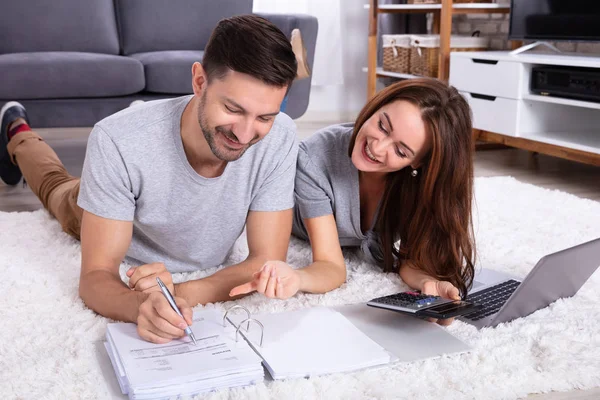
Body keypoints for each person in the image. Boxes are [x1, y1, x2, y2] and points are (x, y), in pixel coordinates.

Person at [0, 15, 300, 343]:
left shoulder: (280, 136)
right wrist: (140, 305)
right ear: (199, 81)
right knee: (55, 185)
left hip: (142, 152)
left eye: (264, 117)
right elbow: (95, 276)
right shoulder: (115, 140)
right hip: (107, 212)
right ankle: (18, 132)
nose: (244, 134)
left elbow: (266, 262)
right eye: (233, 109)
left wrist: (179, 293)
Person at [231, 79, 476, 324]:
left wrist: (427, 282)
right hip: (300, 221)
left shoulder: (418, 183)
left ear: (418, 164)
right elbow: (330, 265)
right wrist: (297, 278)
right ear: (377, 106)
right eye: (382, 125)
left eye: (400, 151)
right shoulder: (315, 156)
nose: (377, 148)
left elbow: (409, 259)